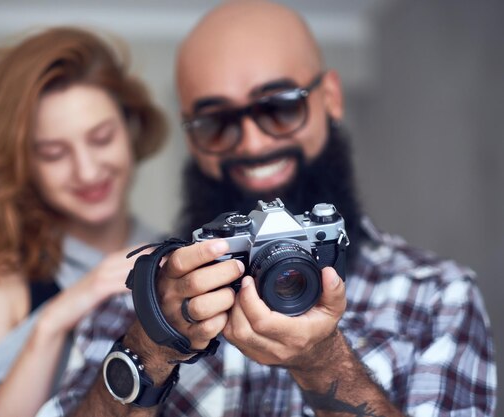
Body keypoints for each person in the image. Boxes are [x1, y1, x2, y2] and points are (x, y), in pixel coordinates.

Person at [37, 1, 497, 416]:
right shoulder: (136, 295)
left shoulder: (438, 298)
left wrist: (324, 365)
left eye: (279, 107)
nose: (254, 144)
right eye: (216, 123)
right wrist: (152, 343)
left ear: (330, 98)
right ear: (191, 138)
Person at [0, 26, 167, 417]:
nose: (86, 171)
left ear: (130, 129)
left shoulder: (174, 254)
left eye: (101, 138)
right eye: (53, 153)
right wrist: (56, 317)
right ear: (23, 162)